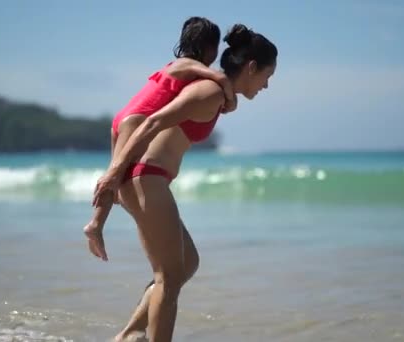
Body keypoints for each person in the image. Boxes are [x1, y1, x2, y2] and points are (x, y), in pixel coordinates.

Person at [92, 23, 278, 342]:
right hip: (144, 178)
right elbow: (152, 121)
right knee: (169, 276)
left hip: (148, 179)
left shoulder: (218, 94)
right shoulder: (209, 92)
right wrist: (114, 172)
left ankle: (129, 334)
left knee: (186, 263)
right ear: (251, 67)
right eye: (267, 76)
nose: (266, 86)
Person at [83, 16, 237, 261]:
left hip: (124, 118)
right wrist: (231, 100)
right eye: (215, 49)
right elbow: (220, 78)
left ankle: (97, 223)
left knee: (113, 173)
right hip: (135, 121)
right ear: (208, 48)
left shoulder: (173, 65)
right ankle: (95, 225)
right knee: (113, 176)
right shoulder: (189, 66)